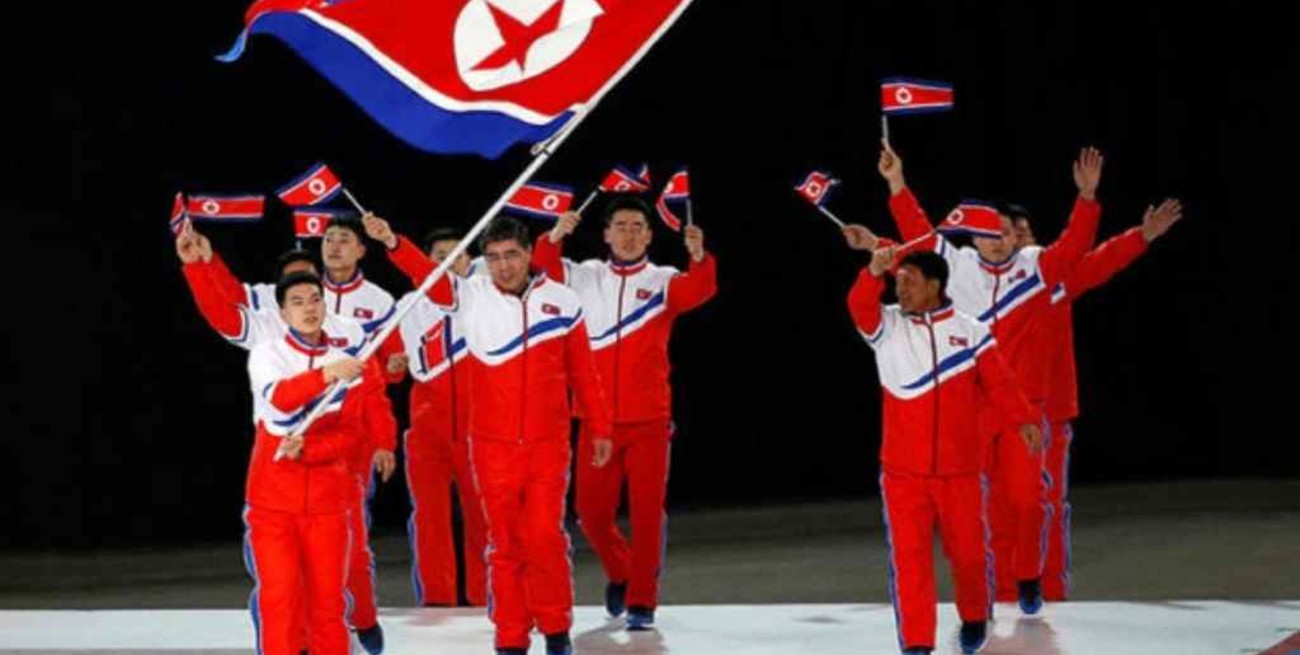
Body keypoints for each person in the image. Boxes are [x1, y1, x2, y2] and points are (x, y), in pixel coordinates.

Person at [531, 196, 717, 629]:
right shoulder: (584, 276)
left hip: (649, 419)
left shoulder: (664, 280)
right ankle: (622, 571)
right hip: (596, 422)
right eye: (621, 226)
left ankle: (642, 602)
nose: (629, 234)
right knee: (591, 513)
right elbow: (543, 267)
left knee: (648, 514)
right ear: (606, 234)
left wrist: (699, 257)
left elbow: (700, 289)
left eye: (637, 227)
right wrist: (555, 234)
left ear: (650, 236)